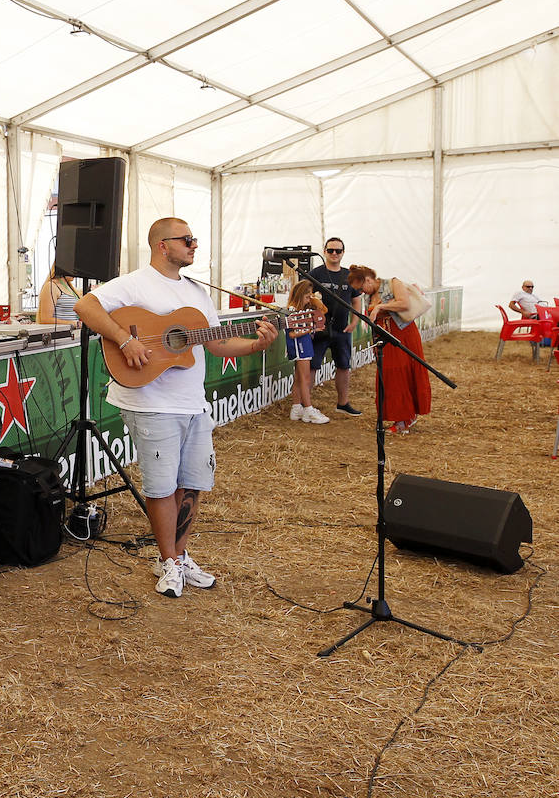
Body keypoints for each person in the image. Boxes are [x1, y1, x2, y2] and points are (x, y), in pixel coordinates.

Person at [74, 218, 277, 598]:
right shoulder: (135, 283)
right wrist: (124, 339)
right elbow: (85, 305)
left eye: (195, 239)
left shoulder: (198, 293)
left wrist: (255, 345)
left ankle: (179, 557)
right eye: (187, 240)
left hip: (193, 404)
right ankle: (168, 561)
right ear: (162, 246)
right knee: (162, 486)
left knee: (192, 484)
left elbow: (216, 343)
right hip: (151, 402)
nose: (194, 245)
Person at [347, 264, 431, 435]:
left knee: (402, 374)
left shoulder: (393, 283)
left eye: (362, 287)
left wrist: (380, 307)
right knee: (389, 377)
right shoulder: (369, 296)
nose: (362, 292)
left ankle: (404, 420)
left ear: (368, 279)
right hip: (384, 339)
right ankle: (402, 416)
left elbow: (404, 303)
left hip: (402, 335)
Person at [308, 238, 363, 416]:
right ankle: (305, 404)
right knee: (312, 366)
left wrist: (354, 322)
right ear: (324, 251)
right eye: (330, 250)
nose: (334, 254)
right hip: (319, 329)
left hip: (342, 329)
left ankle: (343, 403)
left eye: (338, 251)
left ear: (343, 253)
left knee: (344, 366)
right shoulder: (314, 274)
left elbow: (356, 300)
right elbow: (303, 296)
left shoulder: (349, 276)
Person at [284, 280, 330, 424]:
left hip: (305, 343)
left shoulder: (305, 309)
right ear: (300, 295)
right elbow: (291, 334)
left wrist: (314, 299)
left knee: (299, 378)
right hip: (299, 346)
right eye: (307, 296)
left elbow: (324, 310)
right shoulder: (292, 310)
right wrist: (310, 329)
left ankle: (296, 407)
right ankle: (308, 409)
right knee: (305, 378)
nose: (309, 299)